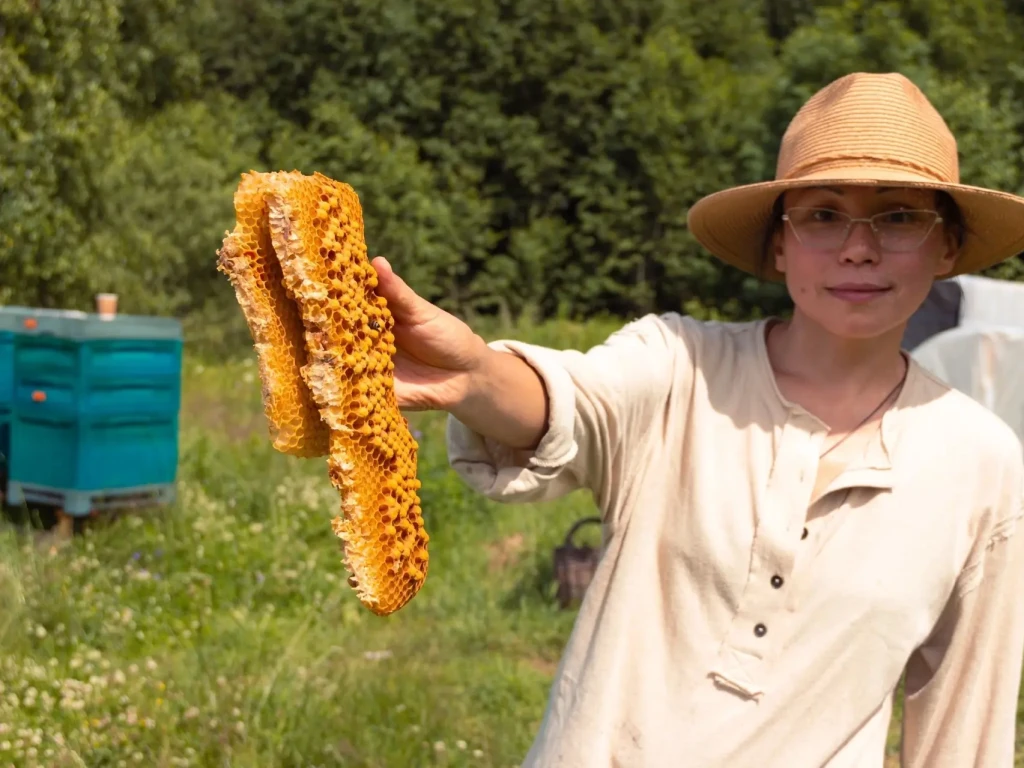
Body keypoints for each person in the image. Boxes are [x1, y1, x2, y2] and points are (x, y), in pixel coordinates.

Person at [370, 72, 1024, 767]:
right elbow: (569, 402)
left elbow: (966, 723)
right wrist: (472, 375)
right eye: (823, 214)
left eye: (898, 217)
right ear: (779, 243)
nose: (858, 247)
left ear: (946, 246)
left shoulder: (980, 461)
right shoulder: (681, 366)